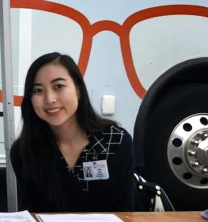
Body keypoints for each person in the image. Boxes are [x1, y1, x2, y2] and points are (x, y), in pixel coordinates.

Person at [10, 52, 135, 212]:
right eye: (38, 90)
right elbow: (35, 217)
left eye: (59, 86)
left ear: (78, 90)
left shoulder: (116, 141)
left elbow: (126, 213)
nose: (49, 99)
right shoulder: (23, 152)